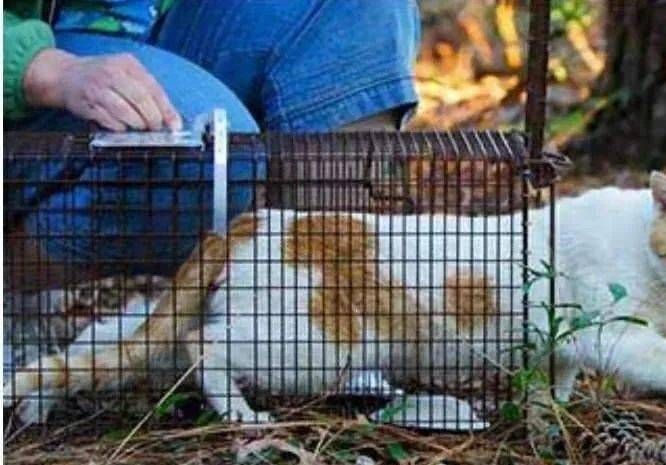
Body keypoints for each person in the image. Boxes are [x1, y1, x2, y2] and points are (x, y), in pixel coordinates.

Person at [4, 0, 421, 284]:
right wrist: (41, 70)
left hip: (154, 26)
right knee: (217, 156)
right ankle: (22, 298)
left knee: (358, 9)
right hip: (33, 61)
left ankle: (320, 306)